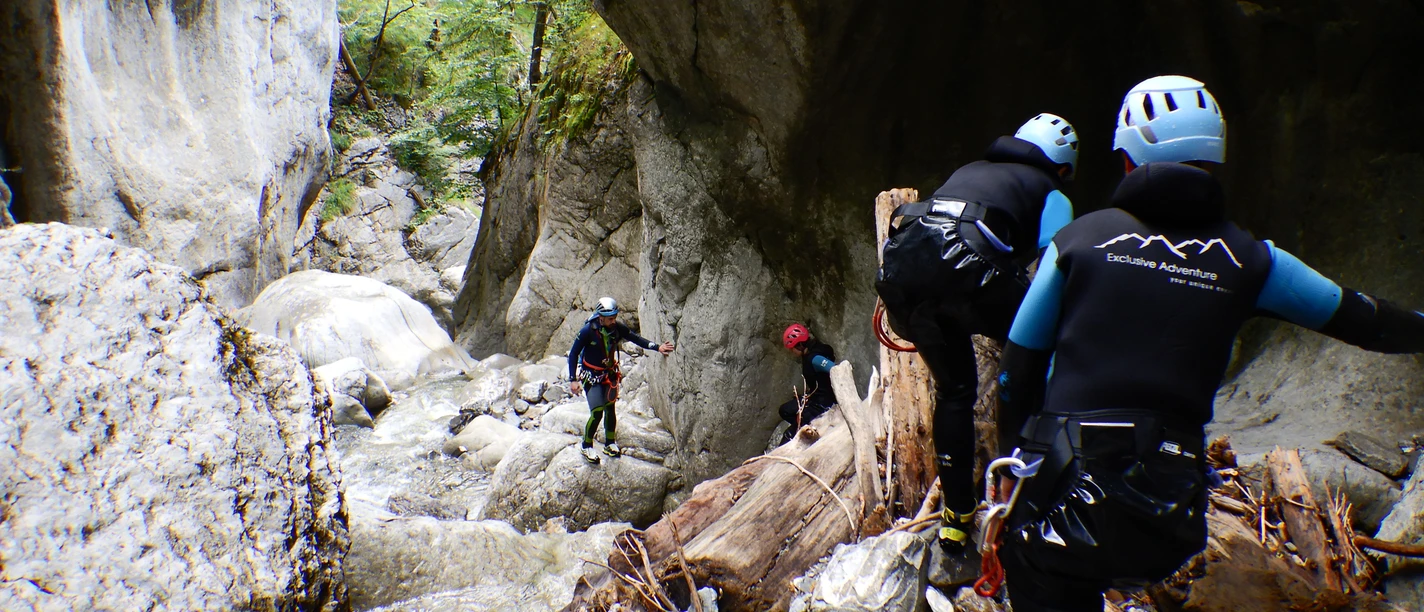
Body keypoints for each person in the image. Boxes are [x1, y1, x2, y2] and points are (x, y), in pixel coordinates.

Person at [992, 75, 1424, 612]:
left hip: (1061, 483)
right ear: (1214, 161)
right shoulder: (1255, 260)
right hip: (1168, 504)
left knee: (1044, 573)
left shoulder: (1077, 240)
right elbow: (1368, 321)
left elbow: (1016, 369)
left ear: (1127, 159)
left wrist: (1011, 459)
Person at [875, 112, 1079, 551]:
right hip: (967, 269)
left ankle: (956, 517)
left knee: (954, 392)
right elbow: (1058, 262)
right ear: (1063, 167)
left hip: (904, 275)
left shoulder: (971, 169)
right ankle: (1027, 496)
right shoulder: (1051, 192)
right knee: (1035, 364)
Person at [568, 297, 675, 464]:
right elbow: (574, 353)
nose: (613, 321)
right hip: (592, 376)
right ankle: (586, 445)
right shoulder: (587, 331)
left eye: (614, 317)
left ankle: (610, 443)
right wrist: (572, 379)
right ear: (601, 317)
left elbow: (636, 338)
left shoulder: (616, 328)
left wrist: (657, 347)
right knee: (597, 411)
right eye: (610, 318)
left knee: (610, 409)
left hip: (609, 375)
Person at [777, 323, 838, 444]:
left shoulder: (815, 358)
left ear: (800, 345)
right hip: (814, 397)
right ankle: (804, 424)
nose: (792, 352)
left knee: (788, 435)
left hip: (823, 404)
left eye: (793, 348)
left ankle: (809, 428)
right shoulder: (811, 352)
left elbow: (836, 369)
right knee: (785, 410)